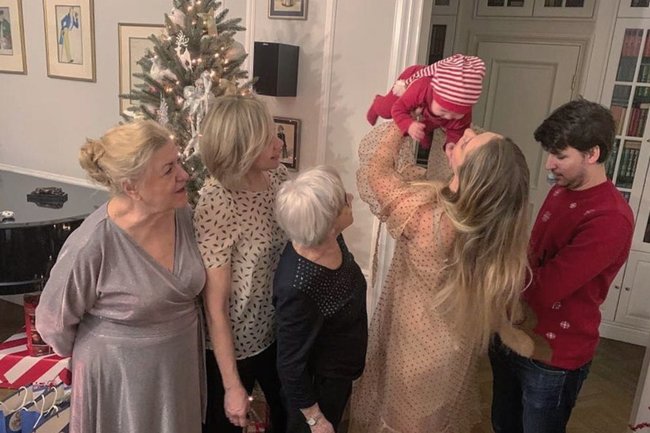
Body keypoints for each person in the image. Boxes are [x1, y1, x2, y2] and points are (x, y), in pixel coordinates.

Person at [348, 121, 535, 433]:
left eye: (469, 141)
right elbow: (432, 180)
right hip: (454, 345)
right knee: (434, 420)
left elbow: (377, 172)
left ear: (470, 178)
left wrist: (402, 119)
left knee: (406, 425)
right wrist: (453, 123)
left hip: (415, 351)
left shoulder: (427, 222)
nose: (469, 133)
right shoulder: (496, 226)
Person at [35, 120, 206, 433]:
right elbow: (52, 323)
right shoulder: (92, 243)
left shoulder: (183, 213)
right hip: (119, 379)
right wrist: (109, 350)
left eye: (178, 162)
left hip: (177, 369)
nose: (184, 175)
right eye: (168, 169)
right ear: (131, 187)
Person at [489, 98, 635, 433]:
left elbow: (545, 288)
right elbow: (532, 254)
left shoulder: (610, 218)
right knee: (503, 425)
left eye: (560, 155)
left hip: (553, 356)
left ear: (592, 154)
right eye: (549, 153)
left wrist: (488, 272)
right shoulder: (563, 189)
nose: (549, 164)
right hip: (513, 334)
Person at [194, 95, 288, 433]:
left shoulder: (278, 179)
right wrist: (232, 385)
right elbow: (215, 307)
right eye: (267, 139)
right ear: (242, 148)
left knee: (288, 417)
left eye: (275, 133)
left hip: (275, 330)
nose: (279, 144)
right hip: (235, 346)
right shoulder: (217, 201)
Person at [273, 165, 368, 433]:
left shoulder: (330, 239)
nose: (350, 198)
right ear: (328, 225)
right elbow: (290, 365)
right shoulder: (297, 286)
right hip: (317, 391)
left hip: (338, 376)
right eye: (344, 201)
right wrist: (315, 420)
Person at [366, 54, 485, 152]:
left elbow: (458, 130)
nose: (449, 116)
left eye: (456, 114)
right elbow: (398, 109)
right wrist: (409, 125)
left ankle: (425, 132)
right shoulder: (420, 88)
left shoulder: (463, 111)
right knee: (387, 110)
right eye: (444, 110)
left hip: (428, 105)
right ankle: (377, 104)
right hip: (411, 80)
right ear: (434, 93)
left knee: (437, 120)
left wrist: (451, 144)